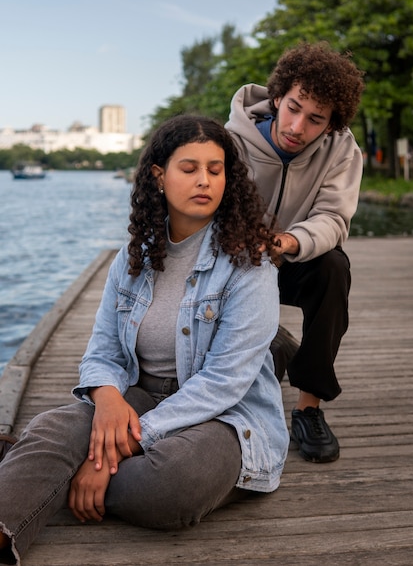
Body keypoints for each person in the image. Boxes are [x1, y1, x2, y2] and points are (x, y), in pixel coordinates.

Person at [0, 115, 289, 565]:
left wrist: (106, 454)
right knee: (54, 428)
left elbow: (226, 382)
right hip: (141, 394)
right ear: (159, 175)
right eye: (189, 168)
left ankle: (51, 469)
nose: (204, 181)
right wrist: (109, 397)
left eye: (215, 170)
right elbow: (103, 350)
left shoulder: (250, 264)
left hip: (225, 416)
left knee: (173, 483)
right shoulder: (133, 256)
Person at [225, 41, 365, 464]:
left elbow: (334, 218)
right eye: (293, 107)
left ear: (331, 125)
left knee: (334, 267)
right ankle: (268, 346)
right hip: (236, 263)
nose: (297, 126)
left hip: (293, 259)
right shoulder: (230, 142)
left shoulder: (342, 152)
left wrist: (289, 241)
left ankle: (308, 408)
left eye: (315, 119)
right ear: (277, 96)